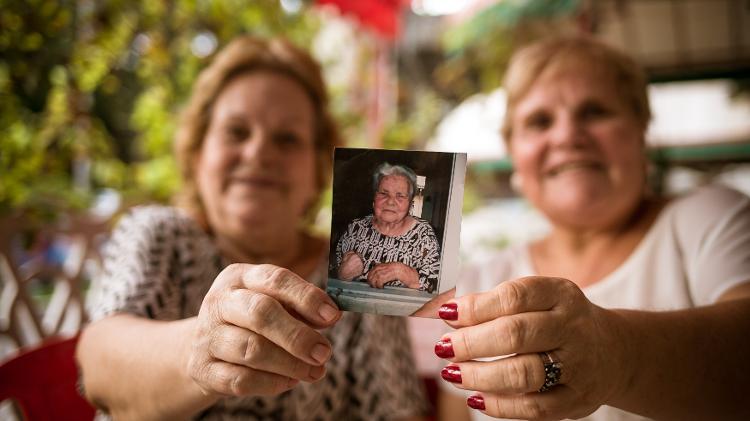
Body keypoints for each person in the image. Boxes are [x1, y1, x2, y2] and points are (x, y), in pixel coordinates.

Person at [76, 36, 427, 420]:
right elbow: (97, 365)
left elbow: (399, 412)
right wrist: (200, 351)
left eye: (286, 139)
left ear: (318, 170)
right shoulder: (161, 236)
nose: (259, 152)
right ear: (198, 153)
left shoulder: (357, 272)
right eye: (237, 132)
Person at [434, 36, 750, 421]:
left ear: (641, 132)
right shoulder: (477, 284)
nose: (567, 136)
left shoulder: (711, 219)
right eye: (539, 121)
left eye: (595, 112)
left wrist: (615, 355)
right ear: (514, 153)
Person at [335, 162, 441, 293]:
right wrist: (342, 274)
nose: (390, 201)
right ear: (374, 198)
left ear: (410, 204)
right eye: (384, 193)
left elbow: (435, 286)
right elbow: (329, 275)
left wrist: (401, 271)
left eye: (400, 196)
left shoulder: (424, 234)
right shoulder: (355, 228)